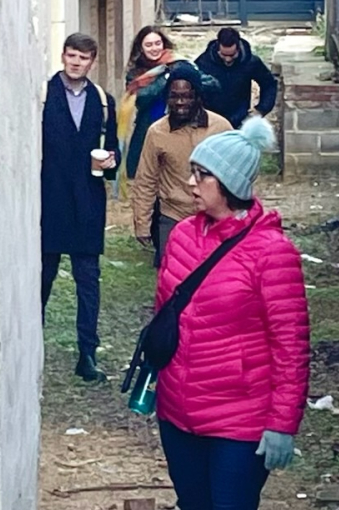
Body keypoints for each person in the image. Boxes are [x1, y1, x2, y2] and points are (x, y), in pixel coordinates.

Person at [153, 117, 309, 510]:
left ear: (231, 185)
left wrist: (282, 423)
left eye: (202, 176)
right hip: (179, 407)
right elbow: (164, 316)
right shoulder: (181, 236)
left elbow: (291, 345)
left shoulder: (272, 254)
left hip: (242, 417)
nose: (191, 184)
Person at [41, 33, 119, 381]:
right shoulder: (42, 96)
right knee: (40, 279)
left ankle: (87, 353)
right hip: (49, 202)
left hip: (87, 202)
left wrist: (110, 164)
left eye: (83, 57)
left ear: (92, 61)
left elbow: (113, 155)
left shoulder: (104, 102)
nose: (75, 62)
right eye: (71, 55)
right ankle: (31, 348)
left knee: (88, 282)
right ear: (62, 56)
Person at [130, 64, 231, 264]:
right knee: (172, 281)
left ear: (198, 96)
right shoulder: (157, 132)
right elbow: (146, 180)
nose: (180, 102)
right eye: (174, 96)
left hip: (214, 218)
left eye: (186, 96)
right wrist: (142, 223)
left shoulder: (221, 128)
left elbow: (237, 175)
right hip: (173, 217)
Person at [120, 25, 176, 181]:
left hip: (175, 129)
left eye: (157, 43)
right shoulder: (135, 75)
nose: (154, 48)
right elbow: (141, 98)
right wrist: (164, 79)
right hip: (147, 129)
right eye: (149, 45)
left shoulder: (177, 65)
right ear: (141, 48)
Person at [196, 26, 279, 128]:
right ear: (218, 47)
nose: (227, 59)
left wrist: (261, 110)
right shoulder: (204, 62)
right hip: (211, 120)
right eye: (223, 55)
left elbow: (269, 84)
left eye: (232, 55)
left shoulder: (250, 62)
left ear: (238, 48)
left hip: (240, 120)